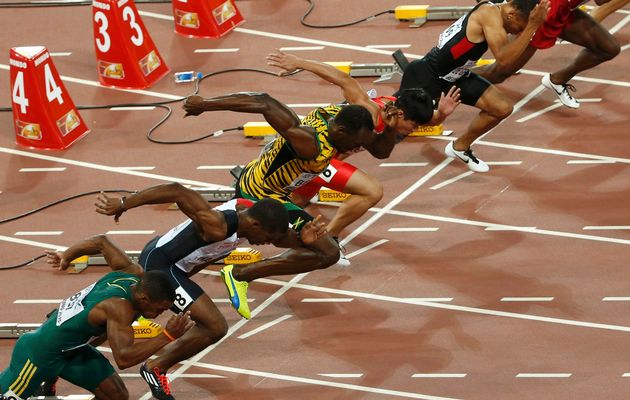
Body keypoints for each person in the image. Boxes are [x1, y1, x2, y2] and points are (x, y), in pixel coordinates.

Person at [94, 182, 329, 399]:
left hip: (179, 267)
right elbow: (178, 191)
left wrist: (300, 239)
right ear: (256, 225)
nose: (267, 243)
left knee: (125, 317)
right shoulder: (217, 225)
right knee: (215, 325)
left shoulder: (249, 218)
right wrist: (125, 203)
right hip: (161, 265)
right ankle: (156, 368)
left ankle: (71, 341)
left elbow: (279, 238)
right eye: (267, 238)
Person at [182, 91, 393, 269]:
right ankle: (227, 269)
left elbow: (381, 151)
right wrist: (206, 105)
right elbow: (264, 102)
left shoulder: (342, 118)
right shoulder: (310, 144)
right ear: (340, 131)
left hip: (282, 193)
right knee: (324, 251)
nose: (357, 149)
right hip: (257, 193)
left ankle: (237, 273)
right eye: (356, 144)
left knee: (326, 252)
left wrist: (390, 129)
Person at [265, 50, 461, 240]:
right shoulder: (372, 112)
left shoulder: (401, 107)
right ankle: (328, 237)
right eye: (414, 125)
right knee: (372, 191)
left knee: (289, 204)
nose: (415, 129)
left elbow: (431, 120)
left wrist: (442, 113)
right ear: (401, 115)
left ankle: (241, 220)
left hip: (326, 161)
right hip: (313, 155)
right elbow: (343, 79)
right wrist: (299, 62)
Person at [0, 234, 192, 400]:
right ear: (144, 298)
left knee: (116, 395)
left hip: (72, 350)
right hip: (39, 354)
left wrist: (67, 255)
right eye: (160, 309)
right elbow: (124, 359)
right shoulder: (119, 307)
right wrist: (167, 335)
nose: (161, 314)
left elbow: (101, 242)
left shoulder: (132, 273)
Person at [399, 0, 549, 172]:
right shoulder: (488, 14)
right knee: (393, 127)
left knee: (502, 108)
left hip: (456, 76)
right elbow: (505, 61)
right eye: (520, 27)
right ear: (511, 15)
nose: (518, 32)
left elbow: (506, 63)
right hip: (427, 75)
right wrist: (532, 26)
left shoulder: (499, 16)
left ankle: (460, 147)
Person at [477, 0, 620, 109]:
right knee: (500, 72)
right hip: (542, 13)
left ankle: (557, 80)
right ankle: (456, 73)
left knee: (609, 48)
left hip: (562, 10)